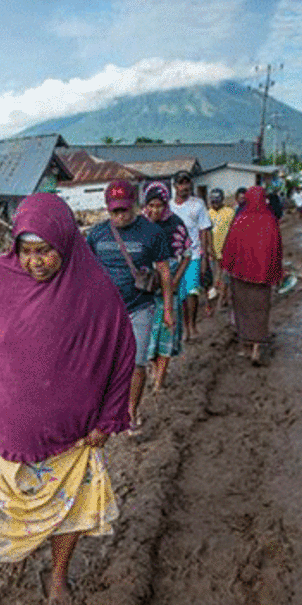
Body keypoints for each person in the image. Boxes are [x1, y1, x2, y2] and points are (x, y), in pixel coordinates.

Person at [0, 192, 136, 605]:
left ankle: (58, 575)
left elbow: (122, 356)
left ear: (66, 244)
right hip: (8, 432)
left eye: (45, 251)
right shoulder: (1, 276)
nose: (35, 262)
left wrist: (107, 420)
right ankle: (20, 551)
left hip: (73, 438)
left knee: (73, 509)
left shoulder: (95, 293)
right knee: (2, 503)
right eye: (27, 251)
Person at [86, 179, 175, 430]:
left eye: (124, 209)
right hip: (105, 312)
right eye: (114, 210)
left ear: (134, 206)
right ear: (107, 208)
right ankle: (107, 409)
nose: (120, 215)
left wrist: (168, 309)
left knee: (137, 363)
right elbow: (85, 271)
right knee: (105, 363)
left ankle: (131, 412)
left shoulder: (152, 233)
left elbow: (165, 272)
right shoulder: (97, 235)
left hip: (140, 307)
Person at [220, 186, 284, 365]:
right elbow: (276, 250)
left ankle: (246, 347)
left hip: (241, 276)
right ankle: (257, 346)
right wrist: (277, 272)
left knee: (243, 310)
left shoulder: (240, 220)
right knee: (260, 310)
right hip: (263, 276)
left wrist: (227, 267)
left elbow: (230, 247)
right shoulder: (271, 221)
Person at [141, 181, 191, 392]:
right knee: (147, 333)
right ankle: (153, 369)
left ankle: (159, 380)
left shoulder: (175, 224)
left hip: (169, 288)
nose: (154, 210)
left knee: (167, 332)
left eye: (158, 205)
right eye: (150, 205)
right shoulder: (138, 226)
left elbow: (187, 254)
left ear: (165, 205)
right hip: (145, 290)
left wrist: (175, 279)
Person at [168, 171, 213, 341]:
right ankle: (184, 326)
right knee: (180, 296)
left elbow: (203, 230)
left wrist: (204, 257)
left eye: (187, 183)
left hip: (193, 255)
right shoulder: (169, 207)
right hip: (175, 257)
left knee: (192, 292)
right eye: (181, 183)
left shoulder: (198, 205)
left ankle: (192, 326)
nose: (184, 187)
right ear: (175, 186)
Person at [206, 188, 236, 316]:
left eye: (217, 201)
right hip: (212, 253)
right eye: (213, 201)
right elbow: (205, 233)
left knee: (225, 278)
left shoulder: (230, 212)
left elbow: (234, 231)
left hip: (228, 252)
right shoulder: (208, 213)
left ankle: (220, 302)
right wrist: (209, 249)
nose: (215, 204)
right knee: (214, 280)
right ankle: (212, 303)